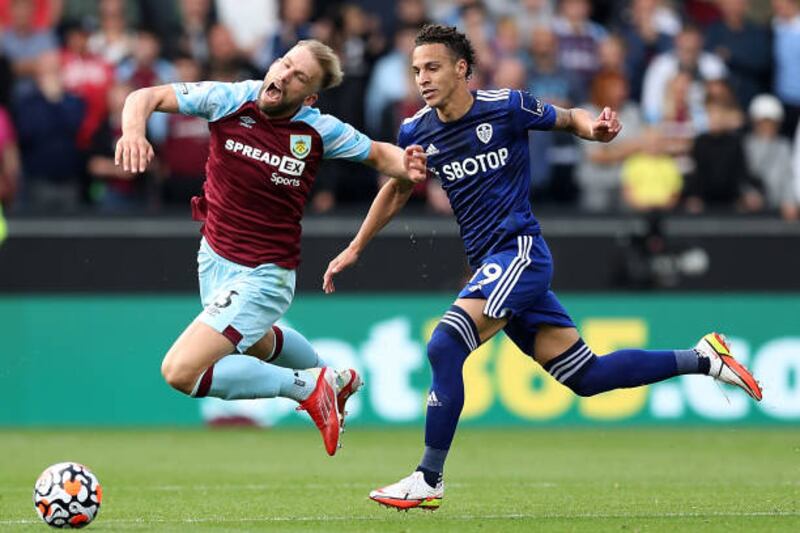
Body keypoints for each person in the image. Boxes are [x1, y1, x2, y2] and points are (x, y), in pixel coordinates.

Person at [323, 24, 763, 510]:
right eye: (415, 70)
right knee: (587, 376)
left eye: (432, 67)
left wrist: (594, 129)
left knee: (445, 343)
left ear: (461, 68)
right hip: (491, 264)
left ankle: (428, 477)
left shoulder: (506, 106)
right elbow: (399, 185)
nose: (422, 79)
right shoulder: (416, 129)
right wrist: (357, 246)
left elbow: (570, 116)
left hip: (520, 253)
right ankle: (705, 358)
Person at [115, 39, 427, 456]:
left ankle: (308, 388)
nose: (282, 75)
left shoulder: (319, 130)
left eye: (298, 75)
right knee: (259, 342)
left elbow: (379, 155)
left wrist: (409, 163)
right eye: (283, 63)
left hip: (266, 274)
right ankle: (330, 377)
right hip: (215, 259)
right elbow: (145, 95)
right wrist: (134, 132)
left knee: (180, 371)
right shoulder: (229, 99)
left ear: (309, 96)